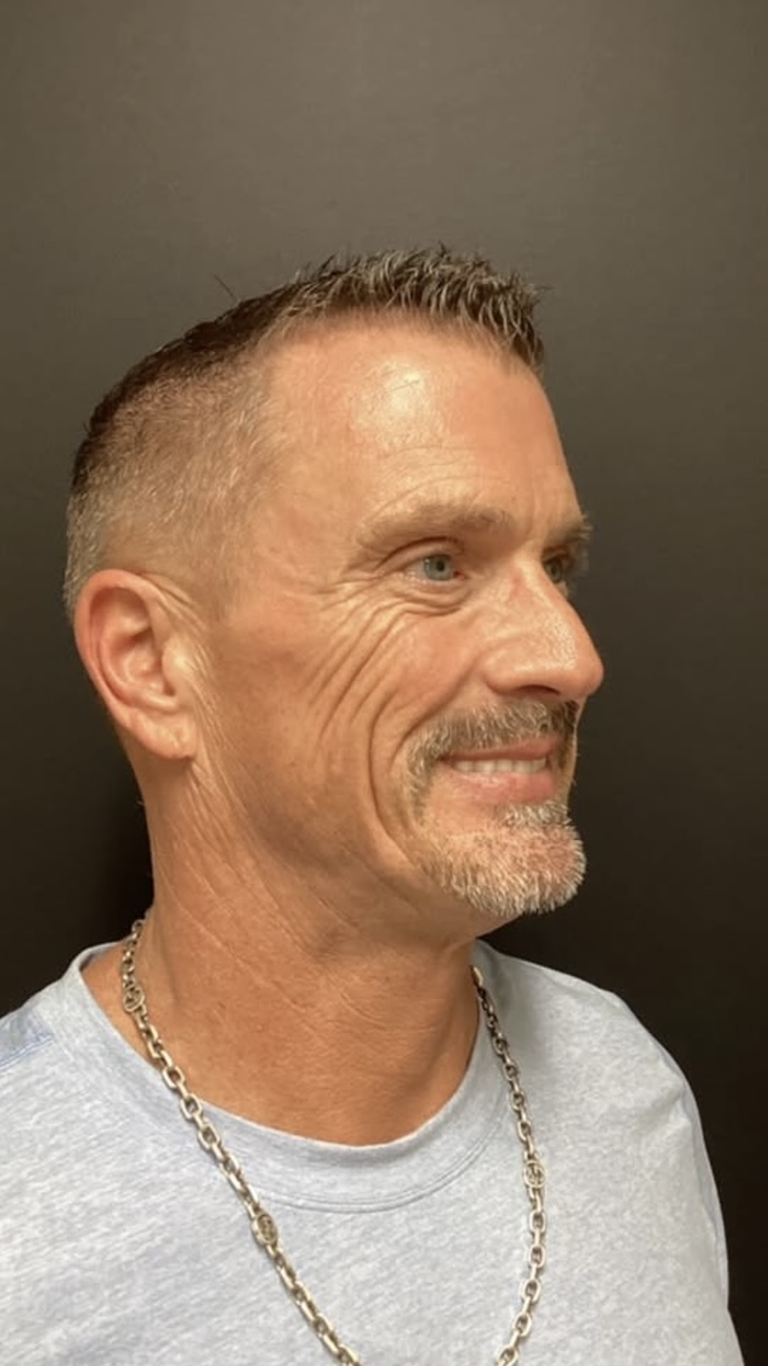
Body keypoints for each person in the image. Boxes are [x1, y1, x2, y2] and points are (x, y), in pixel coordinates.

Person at [0, 248, 743, 1366]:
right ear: (154, 663)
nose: (572, 656)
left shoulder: (623, 1086)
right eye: (438, 564)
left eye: (559, 565)